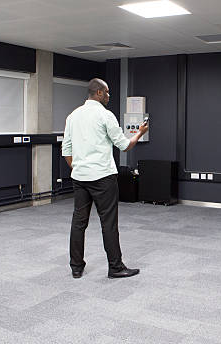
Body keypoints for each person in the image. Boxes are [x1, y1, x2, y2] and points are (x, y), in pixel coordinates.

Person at [62, 78, 148, 279]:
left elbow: (66, 149)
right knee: (108, 223)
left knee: (78, 222)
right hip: (103, 178)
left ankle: (76, 267)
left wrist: (78, 167)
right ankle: (115, 268)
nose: (109, 95)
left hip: (80, 177)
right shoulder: (105, 115)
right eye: (107, 92)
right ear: (99, 93)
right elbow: (124, 145)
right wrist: (140, 133)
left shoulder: (73, 116)